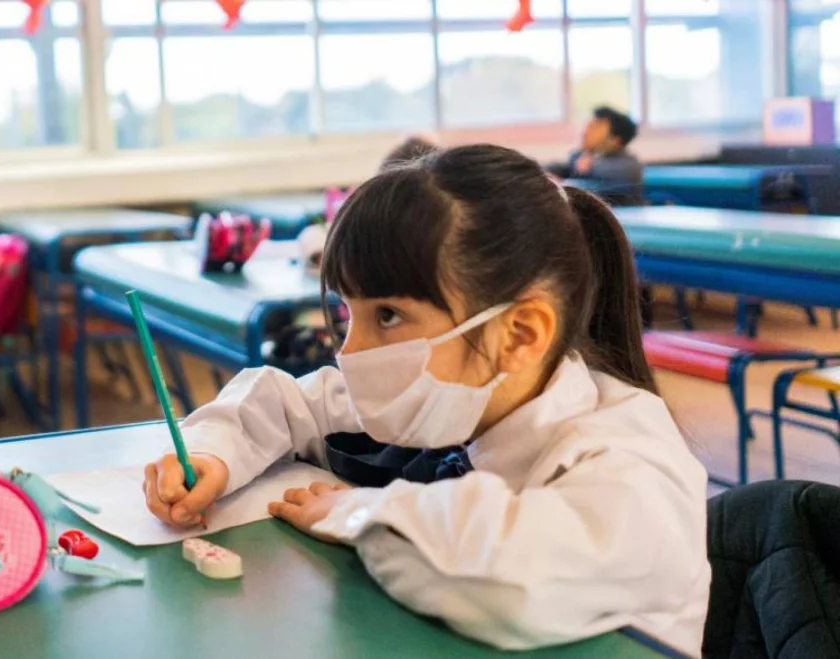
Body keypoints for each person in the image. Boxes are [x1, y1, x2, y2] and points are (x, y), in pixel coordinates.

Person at [142, 144, 709, 655]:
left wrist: (352, 513)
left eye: (388, 316)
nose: (350, 350)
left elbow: (507, 582)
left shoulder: (631, 464)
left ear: (519, 334)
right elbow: (287, 402)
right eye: (347, 314)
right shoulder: (458, 391)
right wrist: (213, 453)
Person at [561, 106, 642, 187]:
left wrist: (589, 165)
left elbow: (591, 169)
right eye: (589, 126)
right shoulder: (583, 156)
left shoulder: (628, 166)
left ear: (615, 141)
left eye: (595, 128)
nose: (585, 132)